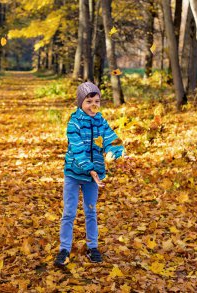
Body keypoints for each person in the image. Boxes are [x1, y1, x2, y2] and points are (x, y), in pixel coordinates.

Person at [54, 81, 125, 267]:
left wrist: (115, 151)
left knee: (91, 212)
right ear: (81, 103)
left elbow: (111, 139)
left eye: (97, 101)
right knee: (69, 212)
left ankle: (92, 247)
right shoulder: (74, 123)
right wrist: (91, 169)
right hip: (74, 174)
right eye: (89, 101)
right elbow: (77, 150)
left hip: (93, 177)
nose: (93, 105)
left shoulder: (100, 121)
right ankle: (64, 249)